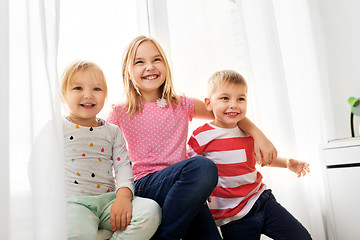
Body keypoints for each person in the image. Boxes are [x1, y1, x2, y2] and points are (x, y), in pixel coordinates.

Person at [107, 35, 277, 240]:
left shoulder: (180, 104)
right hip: (146, 185)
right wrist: (121, 195)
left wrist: (259, 136)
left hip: (183, 188)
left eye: (156, 59)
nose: (150, 66)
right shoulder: (120, 111)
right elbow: (101, 149)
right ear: (128, 70)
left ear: (166, 65)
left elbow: (224, 112)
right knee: (202, 166)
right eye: (139, 62)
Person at [187, 70, 312, 240]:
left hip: (262, 201)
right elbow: (189, 167)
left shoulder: (247, 133)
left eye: (241, 99)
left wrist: (288, 163)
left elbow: (262, 158)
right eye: (225, 98)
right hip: (233, 217)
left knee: (301, 237)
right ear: (208, 103)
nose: (234, 104)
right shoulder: (201, 136)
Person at [61, 60, 161, 240]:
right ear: (63, 95)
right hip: (73, 203)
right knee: (77, 233)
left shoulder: (112, 131)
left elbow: (123, 166)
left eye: (97, 89)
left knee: (151, 211)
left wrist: (123, 198)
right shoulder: (57, 126)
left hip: (109, 201)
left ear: (105, 95)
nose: (88, 95)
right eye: (78, 88)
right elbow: (37, 164)